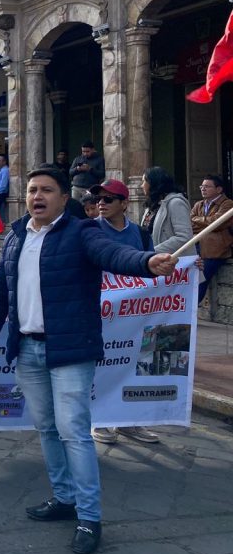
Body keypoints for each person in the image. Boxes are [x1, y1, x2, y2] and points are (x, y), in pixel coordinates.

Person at [0, 165, 176, 554]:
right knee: (47, 429)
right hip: (27, 349)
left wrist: (146, 262)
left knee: (75, 433)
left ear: (64, 198)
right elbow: (1, 289)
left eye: (47, 190)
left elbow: (113, 253)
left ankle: (89, 516)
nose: (37, 196)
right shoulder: (16, 236)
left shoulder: (82, 231)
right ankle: (64, 499)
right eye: (32, 189)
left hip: (70, 351)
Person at [87, 180, 159, 446]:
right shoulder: (90, 230)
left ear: (124, 204)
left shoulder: (139, 235)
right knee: (102, 365)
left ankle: (129, 420)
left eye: (108, 199)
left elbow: (152, 267)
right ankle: (101, 419)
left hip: (134, 313)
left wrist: (187, 267)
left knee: (134, 363)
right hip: (99, 310)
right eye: (98, 199)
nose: (101, 204)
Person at [191, 175, 233, 304]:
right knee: (190, 280)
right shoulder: (199, 204)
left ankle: (190, 312)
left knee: (200, 280)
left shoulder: (228, 204)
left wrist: (198, 220)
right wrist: (206, 223)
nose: (203, 189)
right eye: (201, 186)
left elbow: (218, 223)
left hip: (215, 251)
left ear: (219, 189)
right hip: (197, 248)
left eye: (207, 186)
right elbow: (190, 223)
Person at [140, 167, 192, 254]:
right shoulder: (152, 204)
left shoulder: (176, 203)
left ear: (153, 182)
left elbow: (184, 237)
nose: (142, 185)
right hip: (154, 259)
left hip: (173, 261)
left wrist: (153, 251)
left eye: (144, 181)